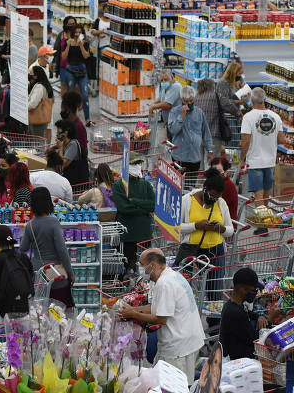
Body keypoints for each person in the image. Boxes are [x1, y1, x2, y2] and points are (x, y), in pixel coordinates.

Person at [118, 249, 205, 382]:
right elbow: (156, 307)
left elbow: (160, 318)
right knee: (160, 379)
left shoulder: (165, 283)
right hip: (185, 339)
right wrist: (133, 309)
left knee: (174, 385)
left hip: (179, 345)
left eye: (142, 265)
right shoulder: (170, 276)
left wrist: (133, 313)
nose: (140, 269)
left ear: (152, 265)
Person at [20, 187, 75, 306]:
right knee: (60, 310)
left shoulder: (30, 225)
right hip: (55, 273)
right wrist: (70, 273)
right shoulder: (53, 222)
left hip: (38, 274)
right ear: (48, 202)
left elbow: (23, 248)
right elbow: (62, 251)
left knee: (41, 311)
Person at [241, 87, 284, 212]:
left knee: (258, 193)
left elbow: (246, 140)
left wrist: (242, 159)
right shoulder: (276, 117)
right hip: (270, 161)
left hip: (254, 161)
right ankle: (266, 219)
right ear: (264, 99)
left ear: (252, 100)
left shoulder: (248, 117)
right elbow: (281, 139)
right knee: (266, 193)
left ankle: (262, 225)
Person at [112, 153, 155, 275]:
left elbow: (153, 205)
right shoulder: (119, 185)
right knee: (123, 269)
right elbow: (124, 207)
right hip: (127, 236)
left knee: (145, 271)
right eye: (133, 163)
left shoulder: (146, 185)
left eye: (138, 163)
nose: (137, 166)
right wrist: (145, 209)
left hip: (144, 236)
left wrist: (134, 201)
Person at [220, 267, 272, 360]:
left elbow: (250, 313)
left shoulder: (233, 304)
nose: (255, 293)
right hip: (238, 360)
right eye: (254, 290)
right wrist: (270, 319)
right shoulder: (235, 313)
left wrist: (260, 317)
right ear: (242, 289)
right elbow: (256, 340)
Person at [168, 85, 214, 172]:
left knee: (191, 184)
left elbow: (206, 132)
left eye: (191, 100)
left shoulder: (199, 113)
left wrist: (210, 150)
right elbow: (173, 131)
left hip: (195, 157)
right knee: (180, 183)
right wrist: (181, 116)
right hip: (179, 157)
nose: (189, 103)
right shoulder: (174, 112)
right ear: (181, 99)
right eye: (186, 101)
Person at [194, 77, 240, 157]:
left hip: (197, 135)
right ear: (212, 86)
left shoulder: (196, 98)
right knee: (212, 162)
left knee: (199, 161)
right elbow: (229, 106)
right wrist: (238, 114)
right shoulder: (216, 96)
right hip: (213, 134)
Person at [62, 24, 91, 121]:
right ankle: (71, 117)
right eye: (76, 32)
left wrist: (81, 45)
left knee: (85, 95)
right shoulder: (67, 42)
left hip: (82, 70)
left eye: (80, 32)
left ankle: (87, 119)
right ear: (72, 33)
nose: (77, 34)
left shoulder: (85, 43)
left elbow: (86, 56)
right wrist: (68, 46)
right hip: (70, 70)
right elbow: (64, 57)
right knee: (71, 95)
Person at [54, 118, 89, 186]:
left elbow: (63, 164)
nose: (57, 134)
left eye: (58, 132)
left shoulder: (73, 144)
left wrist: (60, 148)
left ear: (66, 133)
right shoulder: (64, 143)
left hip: (74, 183)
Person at [53, 16, 77, 96]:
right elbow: (56, 49)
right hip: (63, 65)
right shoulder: (61, 35)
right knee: (64, 86)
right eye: (70, 24)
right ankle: (64, 106)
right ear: (65, 25)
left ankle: (72, 106)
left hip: (74, 65)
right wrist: (54, 61)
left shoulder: (78, 35)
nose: (72, 26)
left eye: (73, 24)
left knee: (73, 87)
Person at [28, 65, 54, 140]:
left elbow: (32, 105)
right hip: (41, 121)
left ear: (36, 76)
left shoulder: (39, 87)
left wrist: (22, 108)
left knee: (36, 142)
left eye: (31, 74)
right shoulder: (44, 85)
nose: (29, 76)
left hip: (37, 120)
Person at [210, 156, 238, 220]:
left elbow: (218, 206)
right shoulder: (216, 182)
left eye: (218, 171)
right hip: (218, 218)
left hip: (226, 222)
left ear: (225, 171)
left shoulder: (227, 185)